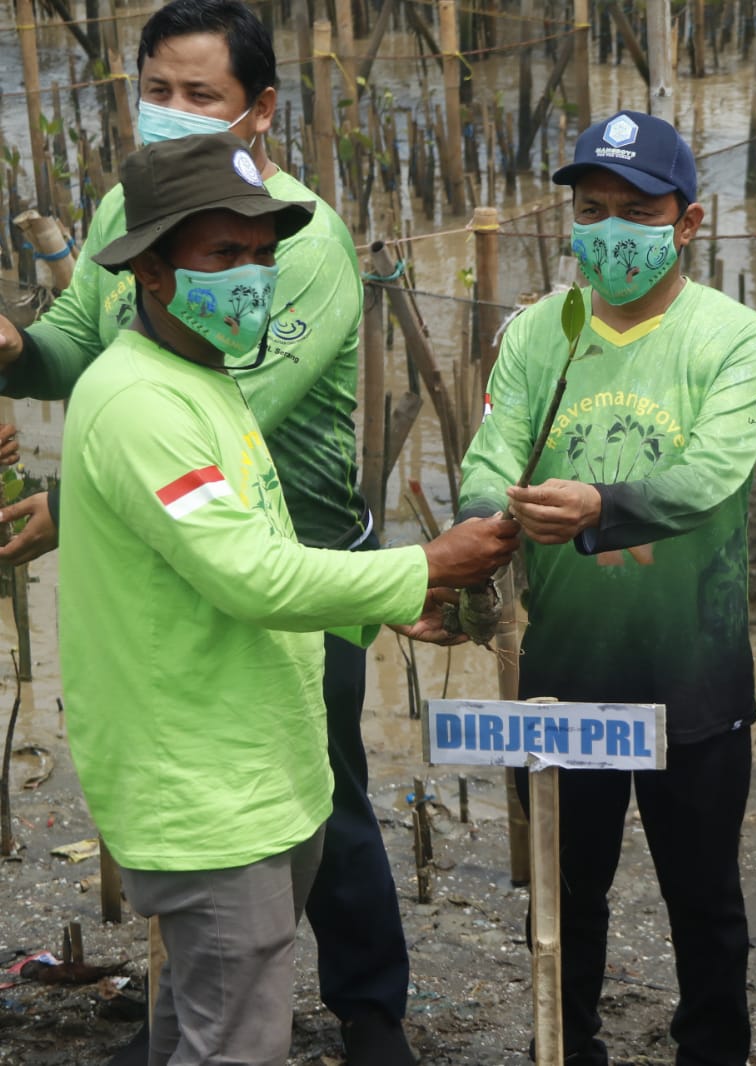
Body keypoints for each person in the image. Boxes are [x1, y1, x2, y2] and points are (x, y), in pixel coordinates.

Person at [0, 2, 421, 1060]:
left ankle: (370, 1008)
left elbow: (235, 393)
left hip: (299, 535)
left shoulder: (298, 238)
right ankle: (207, 1006)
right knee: (207, 785)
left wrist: (78, 502)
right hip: (169, 519)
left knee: (314, 781)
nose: (175, 114)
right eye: (159, 90)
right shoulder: (128, 213)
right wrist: (10, 348)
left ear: (261, 110)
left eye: (203, 96)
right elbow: (74, 349)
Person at [58, 131, 519, 1066]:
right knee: (238, 1043)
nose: (253, 278)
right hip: (204, 792)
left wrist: (374, 610)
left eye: (264, 256)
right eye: (222, 255)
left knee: (192, 1021)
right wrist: (424, 564)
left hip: (260, 768)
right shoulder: (141, 402)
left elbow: (245, 556)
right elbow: (250, 576)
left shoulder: (203, 378)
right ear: (150, 267)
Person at [454, 110, 756, 1065]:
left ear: (688, 222)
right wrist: (484, 530)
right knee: (563, 891)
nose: (610, 231)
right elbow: (490, 459)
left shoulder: (739, 339)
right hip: (564, 667)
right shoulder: (538, 333)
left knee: (705, 898)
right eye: (591, 209)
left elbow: (705, 479)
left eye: (637, 211)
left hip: (695, 670)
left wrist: (597, 506)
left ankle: (712, 1050)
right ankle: (567, 1046)